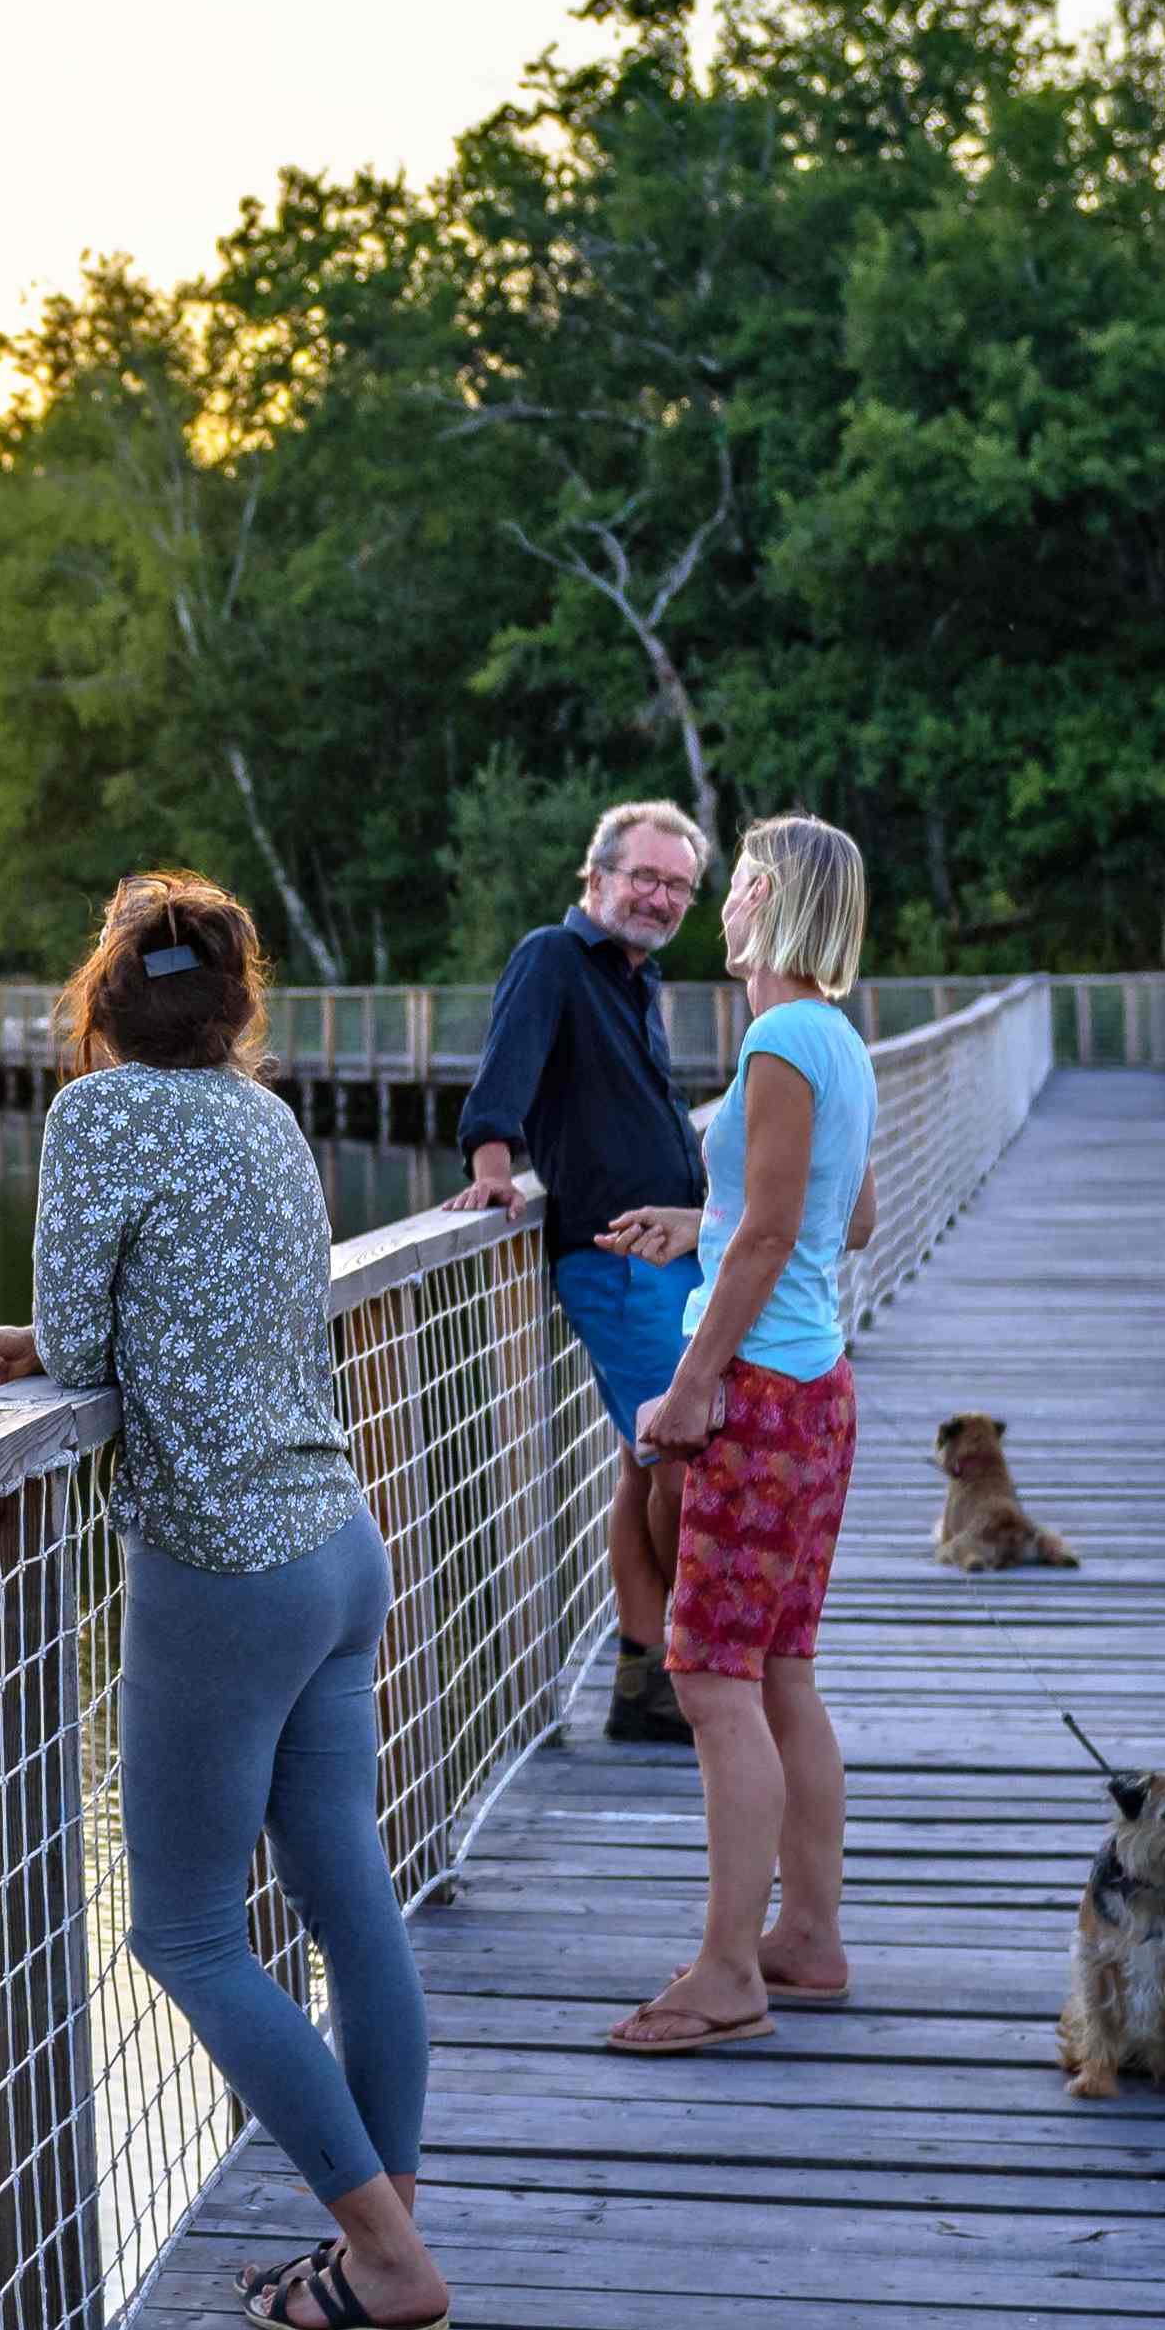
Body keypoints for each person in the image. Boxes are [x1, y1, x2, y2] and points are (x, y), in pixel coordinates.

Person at [0, 872, 451, 2330]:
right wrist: (60, 1337)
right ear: (238, 1000)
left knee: (180, 1929)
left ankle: (387, 2257)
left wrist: (49, 1342)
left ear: (100, 998)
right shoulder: (267, 1116)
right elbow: (214, 1313)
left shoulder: (96, 1116)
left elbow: (95, 1337)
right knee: (346, 1894)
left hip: (225, 1560)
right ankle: (384, 2233)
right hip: (339, 1543)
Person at [601, 813, 882, 2057]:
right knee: (779, 1675)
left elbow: (777, 1235)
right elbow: (842, 1216)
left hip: (756, 1393)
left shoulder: (777, 1034)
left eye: (731, 885)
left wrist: (689, 1387)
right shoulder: (840, 1039)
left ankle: (726, 1974)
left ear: (761, 892)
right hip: (817, 1390)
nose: (716, 904)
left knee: (713, 1681)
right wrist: (697, 1219)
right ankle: (805, 1939)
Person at [453, 801, 713, 1741]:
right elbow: (503, 1077)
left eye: (678, 885)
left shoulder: (639, 977)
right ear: (596, 875)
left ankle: (643, 1687)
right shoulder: (552, 958)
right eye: (645, 876)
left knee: (645, 1463)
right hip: (614, 1260)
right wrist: (490, 1168)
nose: (659, 897)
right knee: (687, 1454)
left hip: (670, 1257)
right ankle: (703, 1661)